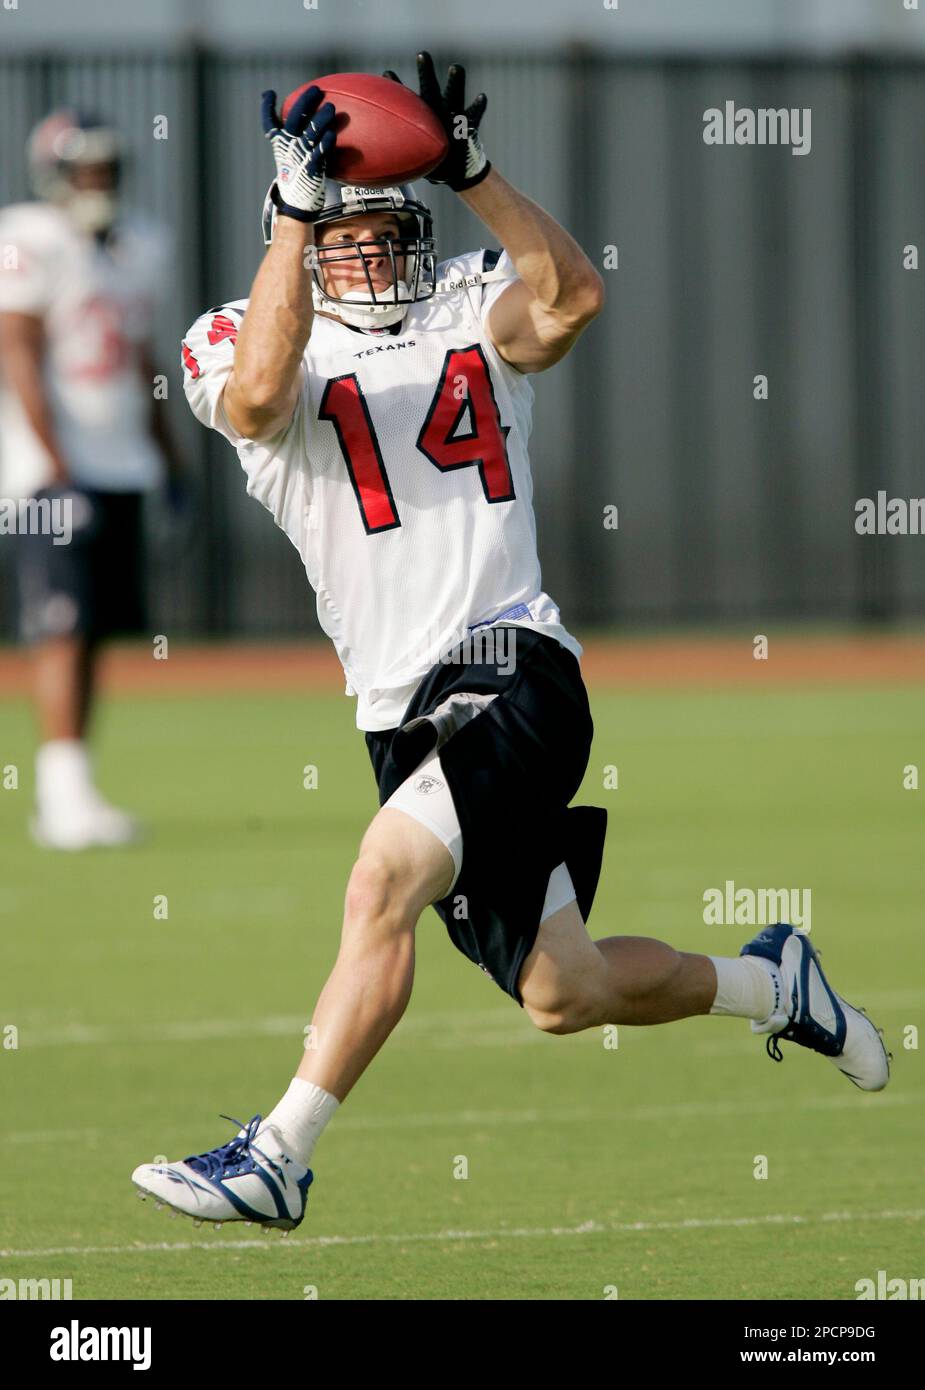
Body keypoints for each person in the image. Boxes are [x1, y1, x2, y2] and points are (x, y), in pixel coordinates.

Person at [131, 55, 890, 1233]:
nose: (375, 256)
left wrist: (473, 172)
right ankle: (770, 982)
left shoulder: (468, 299)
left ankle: (279, 1155)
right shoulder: (233, 332)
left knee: (379, 879)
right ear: (299, 238)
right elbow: (263, 397)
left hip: (514, 665)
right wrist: (293, 218)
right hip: (399, 711)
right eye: (348, 236)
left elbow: (573, 298)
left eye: (391, 229)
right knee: (561, 990)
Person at [0, 109, 181, 849]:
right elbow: (16, 354)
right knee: (62, 627)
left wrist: (169, 456)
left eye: (105, 169)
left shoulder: (139, 244)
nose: (95, 183)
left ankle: (74, 788)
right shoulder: (29, 237)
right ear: (52, 175)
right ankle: (59, 795)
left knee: (98, 630)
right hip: (47, 474)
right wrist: (57, 466)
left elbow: (143, 358)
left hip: (120, 463)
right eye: (83, 170)